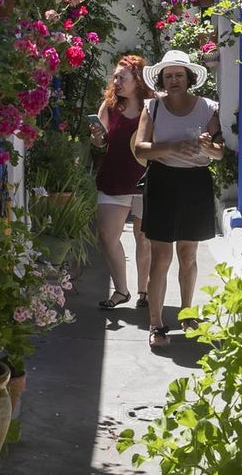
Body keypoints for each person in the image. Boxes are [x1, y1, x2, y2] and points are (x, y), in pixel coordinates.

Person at [132, 50, 224, 349]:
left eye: (179, 75)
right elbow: (140, 149)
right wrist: (172, 147)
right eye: (169, 76)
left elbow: (219, 152)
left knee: (189, 255)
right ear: (161, 79)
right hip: (163, 181)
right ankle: (156, 324)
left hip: (196, 182)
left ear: (189, 78)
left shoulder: (208, 108)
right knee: (161, 256)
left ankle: (187, 315)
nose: (174, 81)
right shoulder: (153, 107)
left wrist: (207, 147)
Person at [90, 55, 153, 310]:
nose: (116, 81)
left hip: (146, 181)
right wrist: (96, 138)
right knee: (107, 236)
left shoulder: (153, 106)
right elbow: (99, 142)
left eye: (121, 77)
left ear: (137, 80)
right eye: (114, 77)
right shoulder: (109, 106)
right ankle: (121, 290)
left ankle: (144, 291)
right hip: (114, 178)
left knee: (144, 238)